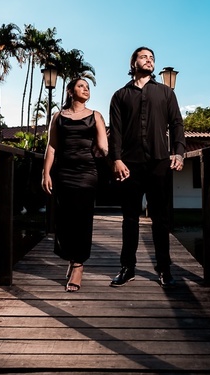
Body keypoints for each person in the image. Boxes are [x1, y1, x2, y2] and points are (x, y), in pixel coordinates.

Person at [107, 46, 185, 286]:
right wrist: (116, 159)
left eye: (152, 58)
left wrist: (179, 153)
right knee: (130, 218)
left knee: (160, 218)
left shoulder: (166, 93)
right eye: (144, 57)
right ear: (134, 63)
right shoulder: (120, 96)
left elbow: (177, 124)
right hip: (129, 164)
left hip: (159, 161)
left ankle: (164, 269)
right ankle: (127, 268)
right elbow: (116, 132)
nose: (149, 60)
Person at [41, 77, 108, 291]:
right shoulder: (58, 117)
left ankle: (79, 265)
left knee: (82, 217)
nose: (86, 89)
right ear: (70, 91)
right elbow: (51, 147)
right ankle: (71, 258)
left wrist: (106, 149)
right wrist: (46, 173)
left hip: (88, 172)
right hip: (64, 172)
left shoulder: (95, 116)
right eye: (81, 86)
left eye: (88, 87)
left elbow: (102, 147)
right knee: (65, 218)